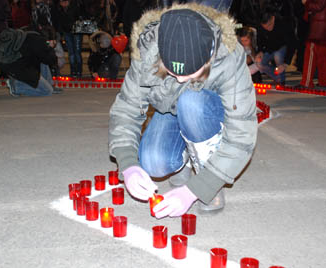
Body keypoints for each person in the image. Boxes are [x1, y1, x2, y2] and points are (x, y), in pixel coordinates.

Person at [108, 4, 257, 218]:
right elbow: (126, 110)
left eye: (190, 74)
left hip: (205, 115)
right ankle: (184, 158)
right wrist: (128, 165)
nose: (179, 79)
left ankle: (207, 169)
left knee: (191, 101)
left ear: (209, 55)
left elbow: (242, 135)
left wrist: (195, 189)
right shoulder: (148, 51)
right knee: (153, 162)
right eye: (172, 72)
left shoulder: (229, 58)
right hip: (170, 112)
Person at [0, 28, 63, 96]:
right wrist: (50, 48)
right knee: (47, 91)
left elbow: (44, 61)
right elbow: (52, 61)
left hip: (10, 63)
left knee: (43, 62)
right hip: (17, 67)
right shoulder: (41, 42)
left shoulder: (31, 34)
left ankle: (48, 84)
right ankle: (17, 87)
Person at [299, 0, 326, 88]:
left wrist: (307, 2)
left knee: (310, 53)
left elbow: (319, 5)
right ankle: (324, 81)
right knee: (322, 54)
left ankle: (306, 82)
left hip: (319, 24)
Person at [256, 8, 296, 85]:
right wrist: (260, 51)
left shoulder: (284, 24)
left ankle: (281, 81)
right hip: (269, 48)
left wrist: (286, 63)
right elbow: (260, 39)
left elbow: (292, 43)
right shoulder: (260, 25)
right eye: (265, 27)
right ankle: (278, 77)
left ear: (273, 18)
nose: (268, 29)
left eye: (269, 25)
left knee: (278, 56)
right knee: (259, 63)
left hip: (282, 46)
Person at [53, 0, 83, 77]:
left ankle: (79, 71)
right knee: (71, 53)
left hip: (76, 32)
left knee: (77, 52)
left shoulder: (75, 5)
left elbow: (80, 18)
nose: (63, 4)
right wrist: (61, 32)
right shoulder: (59, 9)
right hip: (66, 32)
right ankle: (73, 71)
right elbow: (59, 21)